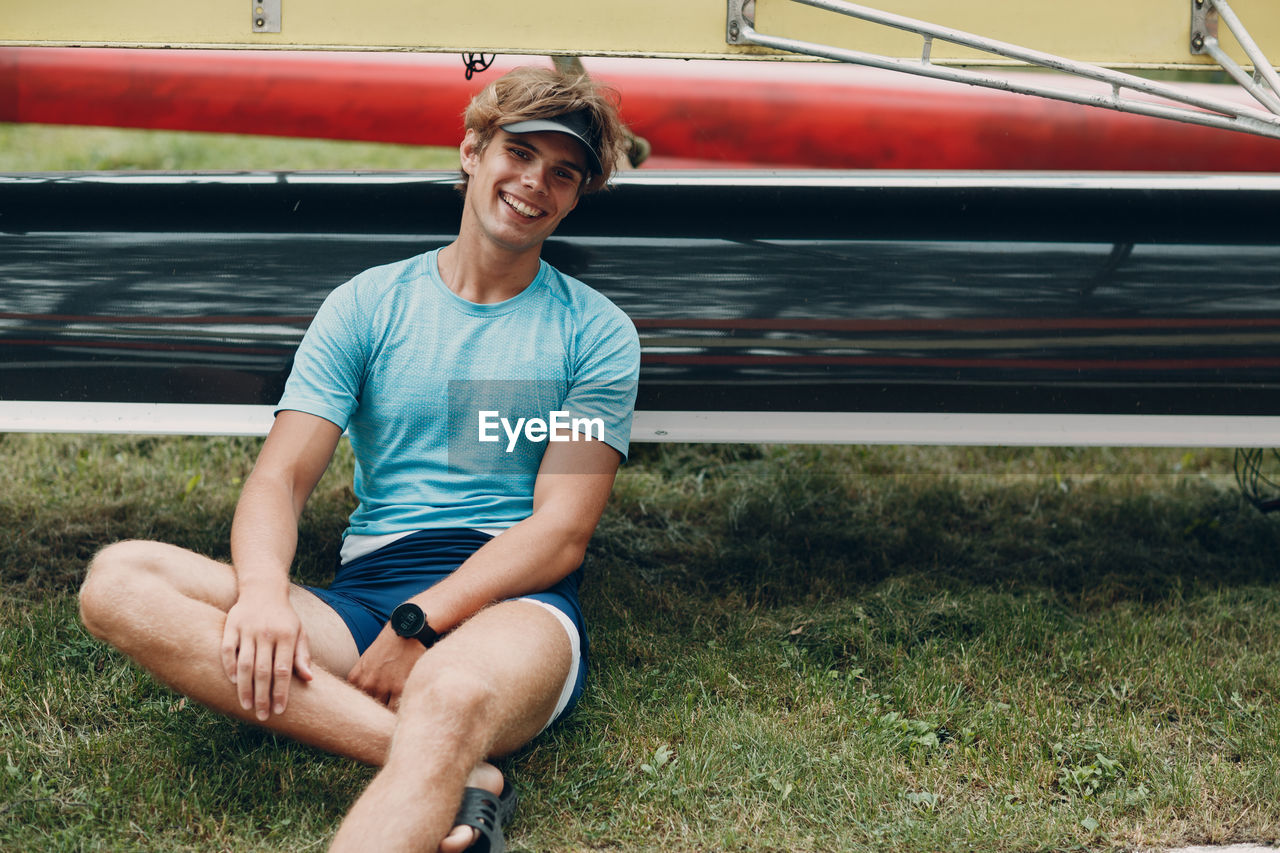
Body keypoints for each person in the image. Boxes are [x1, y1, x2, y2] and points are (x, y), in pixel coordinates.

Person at [78, 66, 639, 853]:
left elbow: (559, 534)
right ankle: (460, 771)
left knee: (446, 693)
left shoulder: (596, 330)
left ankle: (435, 738)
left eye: (563, 172)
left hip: (518, 603)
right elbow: (282, 475)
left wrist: (420, 624)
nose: (534, 182)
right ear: (472, 151)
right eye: (518, 152)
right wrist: (267, 595)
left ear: (577, 195)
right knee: (121, 580)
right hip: (365, 592)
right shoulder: (369, 303)